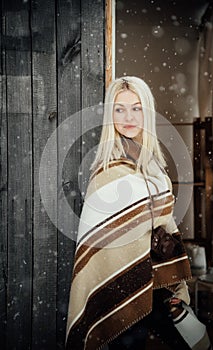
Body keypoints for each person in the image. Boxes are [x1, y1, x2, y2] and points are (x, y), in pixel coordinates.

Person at [65, 76, 192, 350]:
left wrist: (176, 281)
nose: (128, 117)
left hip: (158, 282)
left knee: (190, 339)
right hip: (124, 285)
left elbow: (166, 224)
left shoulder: (153, 167)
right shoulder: (106, 172)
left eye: (136, 108)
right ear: (111, 115)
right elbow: (105, 239)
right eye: (119, 109)